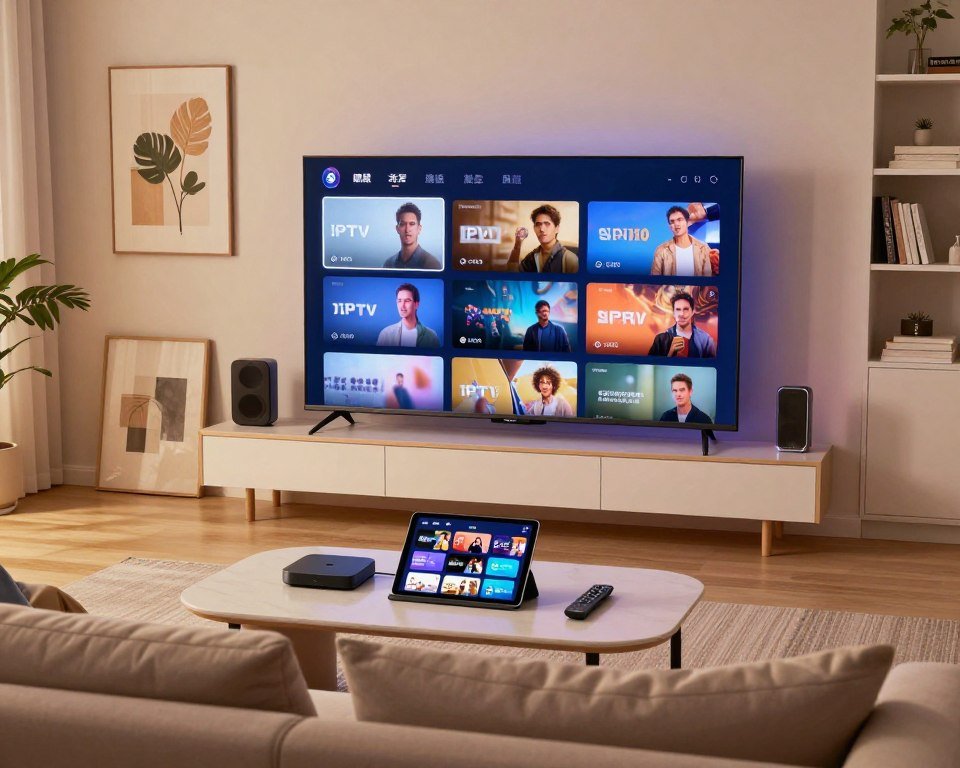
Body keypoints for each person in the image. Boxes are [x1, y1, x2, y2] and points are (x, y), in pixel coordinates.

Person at [508, 204, 578, 273]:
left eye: (547, 224)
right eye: (538, 224)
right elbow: (512, 274)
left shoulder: (569, 259)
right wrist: (518, 244)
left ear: (557, 228)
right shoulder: (532, 257)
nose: (541, 229)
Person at [647, 291, 717, 358]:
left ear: (692, 312)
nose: (681, 314)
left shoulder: (705, 340)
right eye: (678, 309)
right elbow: (652, 364)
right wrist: (670, 353)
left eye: (686, 309)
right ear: (673, 313)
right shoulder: (660, 340)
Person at [651, 205, 713, 276]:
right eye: (672, 222)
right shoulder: (661, 250)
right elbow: (654, 283)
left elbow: (708, 281)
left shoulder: (703, 248)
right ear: (670, 227)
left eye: (679, 220)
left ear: (687, 222)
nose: (676, 224)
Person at [376, 283, 440, 347]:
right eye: (399, 301)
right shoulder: (386, 334)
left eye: (407, 301)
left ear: (416, 304)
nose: (402, 306)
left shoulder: (431, 336)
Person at [382, 202, 441, 269]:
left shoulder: (431, 264)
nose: (407, 229)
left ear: (419, 228)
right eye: (402, 224)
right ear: (397, 229)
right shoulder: (389, 264)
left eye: (412, 224)